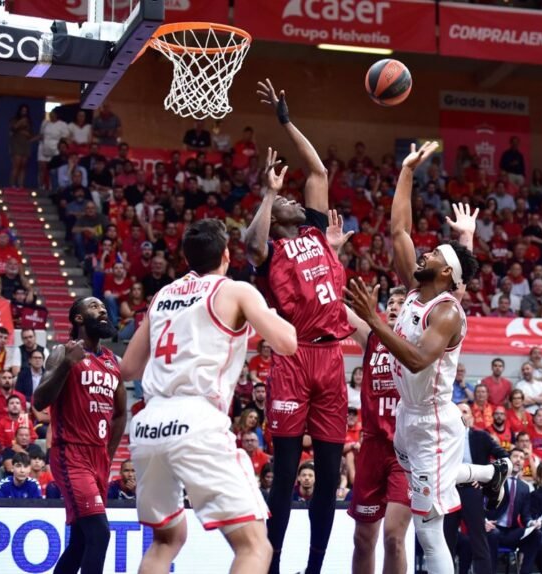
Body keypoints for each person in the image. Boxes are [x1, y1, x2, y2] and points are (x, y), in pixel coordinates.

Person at [345, 143, 511, 574]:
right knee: (429, 481)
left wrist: (373, 320)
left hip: (433, 422)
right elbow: (399, 230)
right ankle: (489, 474)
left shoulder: (447, 312)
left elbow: (418, 359)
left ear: (446, 273)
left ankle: (487, 474)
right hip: (407, 416)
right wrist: (406, 171)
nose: (425, 254)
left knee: (428, 529)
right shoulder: (416, 292)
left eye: (434, 254)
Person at [121, 218, 298, 574]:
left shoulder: (163, 296)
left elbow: (128, 368)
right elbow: (287, 343)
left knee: (165, 541)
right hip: (197, 418)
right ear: (227, 255)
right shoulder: (235, 291)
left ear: (187, 259)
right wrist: (273, 313)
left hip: (149, 423)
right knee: (255, 546)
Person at [246, 80, 355, 574]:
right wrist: (268, 195)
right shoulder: (271, 249)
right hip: (293, 356)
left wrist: (287, 121)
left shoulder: (313, 229)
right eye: (284, 200)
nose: (292, 197)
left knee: (329, 476)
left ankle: (313, 567)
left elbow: (318, 171)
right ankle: (271, 564)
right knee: (286, 472)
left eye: (289, 197)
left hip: (330, 358)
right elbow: (250, 245)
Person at [33, 297, 127, 574]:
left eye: (103, 307)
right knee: (100, 534)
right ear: (78, 318)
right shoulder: (63, 352)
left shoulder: (113, 361)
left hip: (98, 457)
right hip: (70, 453)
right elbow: (39, 401)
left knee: (80, 542)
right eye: (94, 306)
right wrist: (66, 366)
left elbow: (121, 413)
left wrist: (108, 454)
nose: (102, 310)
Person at [345, 286, 411, 574]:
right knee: (362, 539)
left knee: (393, 538)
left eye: (401, 302)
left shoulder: (420, 341)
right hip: (372, 447)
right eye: (391, 302)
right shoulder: (372, 336)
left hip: (404, 451)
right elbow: (340, 307)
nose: (394, 306)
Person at [444, 403, 511, 574]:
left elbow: (504, 458)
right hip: (448, 490)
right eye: (457, 411)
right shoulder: (443, 438)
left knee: (479, 541)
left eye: (464, 411)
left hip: (471, 490)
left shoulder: (481, 437)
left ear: (471, 418)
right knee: (446, 541)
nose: (460, 414)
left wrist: (484, 478)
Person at [485, 448, 533, 573]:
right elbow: (481, 503)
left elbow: (525, 515)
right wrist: (484, 521)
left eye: (522, 458)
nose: (518, 460)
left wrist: (531, 523)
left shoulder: (524, 487)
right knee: (493, 534)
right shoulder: (495, 479)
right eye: (515, 456)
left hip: (511, 531)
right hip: (492, 527)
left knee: (536, 535)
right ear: (508, 460)